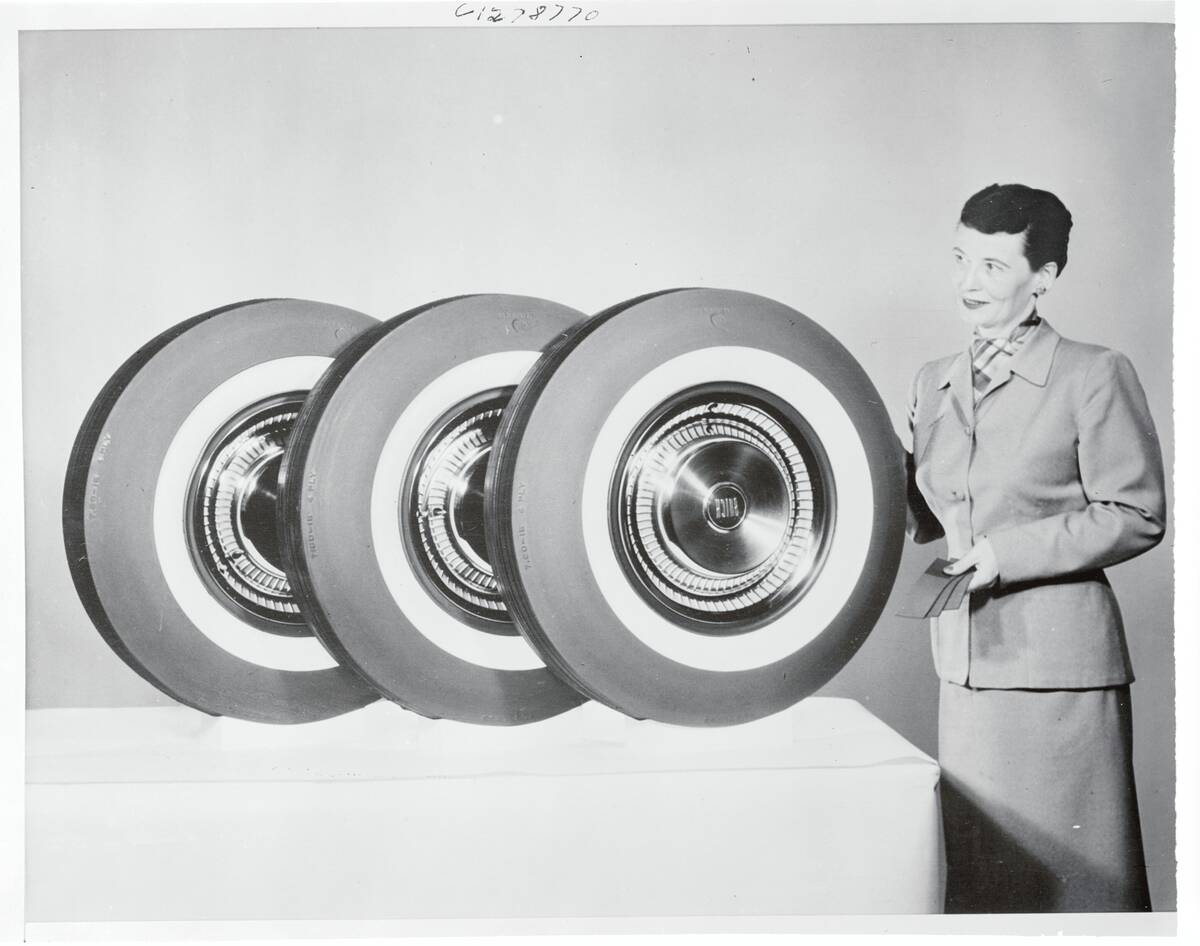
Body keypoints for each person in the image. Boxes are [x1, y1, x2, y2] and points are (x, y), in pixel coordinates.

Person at [904, 183, 1166, 913]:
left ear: (1042, 278)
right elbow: (931, 515)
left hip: (1059, 680)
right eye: (960, 259)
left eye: (991, 265)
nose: (967, 281)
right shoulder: (933, 382)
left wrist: (1004, 552)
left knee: (1076, 893)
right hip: (967, 670)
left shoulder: (1094, 373)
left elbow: (1137, 513)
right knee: (987, 896)